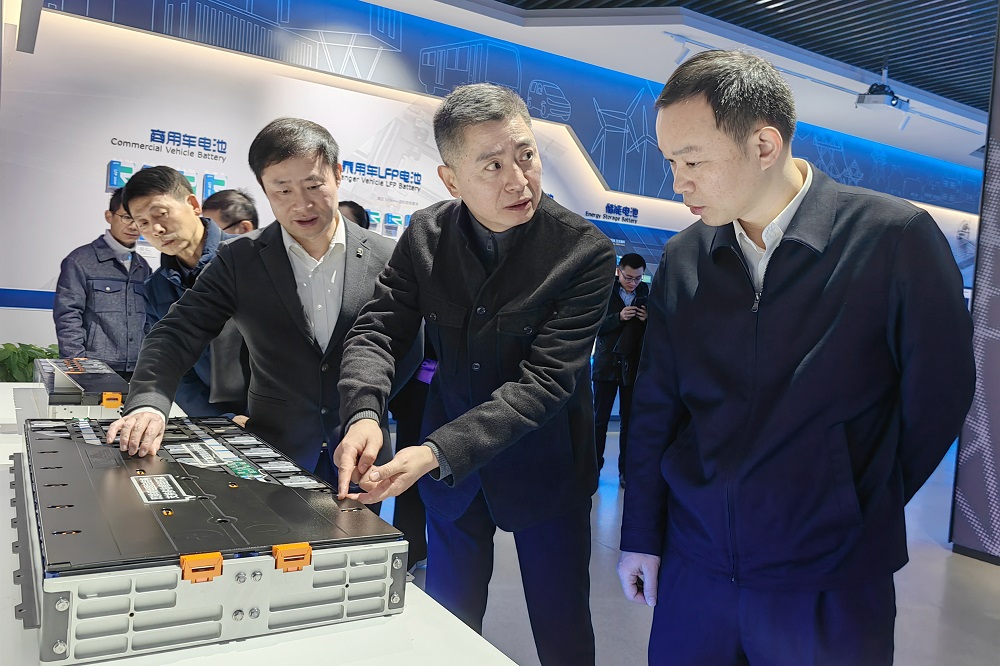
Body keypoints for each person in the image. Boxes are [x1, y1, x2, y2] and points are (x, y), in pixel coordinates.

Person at [617, 50, 975, 665]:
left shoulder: (892, 239)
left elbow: (938, 398)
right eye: (670, 162)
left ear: (764, 144)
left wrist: (852, 501)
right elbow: (656, 406)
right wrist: (642, 534)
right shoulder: (684, 257)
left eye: (693, 160)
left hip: (829, 579)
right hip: (696, 567)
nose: (678, 182)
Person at [334, 83, 616, 665]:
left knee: (562, 623)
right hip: (451, 481)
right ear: (451, 180)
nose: (519, 180)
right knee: (450, 620)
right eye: (493, 165)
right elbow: (379, 330)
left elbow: (546, 381)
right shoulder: (426, 235)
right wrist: (363, 412)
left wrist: (435, 450)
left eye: (526, 155)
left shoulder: (584, 251)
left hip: (545, 468)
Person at [107, 118, 418, 494]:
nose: (301, 204)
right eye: (282, 190)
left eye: (313, 185)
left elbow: (407, 346)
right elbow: (177, 332)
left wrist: (367, 405)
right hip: (273, 452)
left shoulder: (387, 255)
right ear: (264, 188)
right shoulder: (240, 259)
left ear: (337, 174)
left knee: (359, 533)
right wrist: (149, 402)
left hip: (362, 452)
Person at [123, 166, 247, 417]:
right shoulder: (156, 288)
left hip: (277, 414)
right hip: (219, 421)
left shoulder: (249, 257)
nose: (156, 230)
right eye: (143, 223)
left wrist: (265, 415)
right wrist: (220, 420)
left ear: (193, 204)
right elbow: (173, 364)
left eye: (161, 214)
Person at [53, 188, 151, 380]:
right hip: (94, 369)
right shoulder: (80, 261)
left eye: (141, 220)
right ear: (109, 216)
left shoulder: (143, 267)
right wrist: (77, 364)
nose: (134, 226)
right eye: (126, 217)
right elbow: (68, 315)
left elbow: (149, 320)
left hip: (137, 370)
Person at [592, 252, 648, 488]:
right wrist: (618, 317)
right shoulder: (605, 291)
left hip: (632, 367)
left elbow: (656, 333)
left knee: (629, 423)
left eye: (638, 278)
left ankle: (625, 472)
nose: (633, 283)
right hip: (605, 365)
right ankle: (593, 471)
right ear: (618, 271)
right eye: (628, 277)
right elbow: (593, 326)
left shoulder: (646, 295)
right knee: (599, 422)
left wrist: (647, 320)